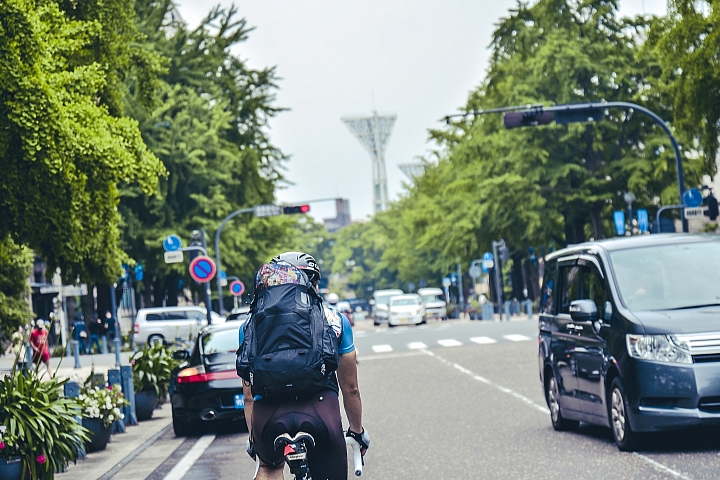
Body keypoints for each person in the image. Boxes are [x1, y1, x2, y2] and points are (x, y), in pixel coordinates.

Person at [240, 252, 369, 480]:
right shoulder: (336, 320)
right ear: (313, 284)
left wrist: (255, 440)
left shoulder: (250, 324)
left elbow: (248, 395)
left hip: (268, 415)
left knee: (269, 468)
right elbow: (351, 388)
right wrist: (357, 431)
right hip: (320, 412)